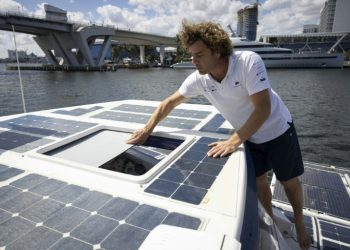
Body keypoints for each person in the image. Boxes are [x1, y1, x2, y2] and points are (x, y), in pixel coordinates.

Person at [126, 20, 310, 249]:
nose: (193, 61)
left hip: (278, 130)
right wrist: (147, 129)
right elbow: (169, 103)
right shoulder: (200, 79)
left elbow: (263, 109)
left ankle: (300, 223)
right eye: (191, 55)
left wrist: (234, 140)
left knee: (288, 181)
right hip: (249, 136)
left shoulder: (248, 62)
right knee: (258, 181)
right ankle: (271, 220)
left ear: (218, 50)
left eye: (199, 55)